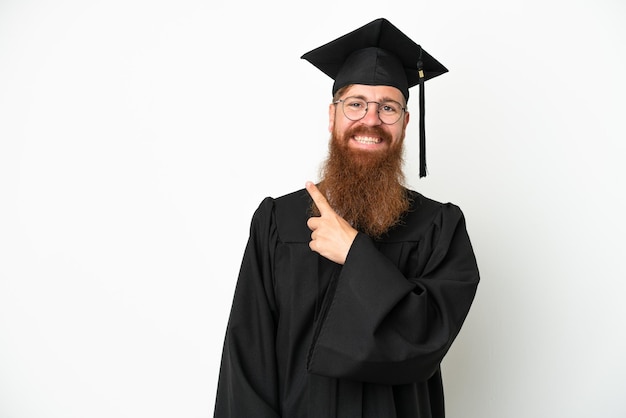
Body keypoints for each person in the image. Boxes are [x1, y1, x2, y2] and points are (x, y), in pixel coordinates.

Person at [213, 18, 480, 418]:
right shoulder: (277, 221)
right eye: (355, 104)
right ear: (332, 115)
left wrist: (355, 254)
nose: (370, 120)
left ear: (405, 123)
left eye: (388, 108)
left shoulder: (439, 228)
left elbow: (426, 339)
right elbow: (247, 358)